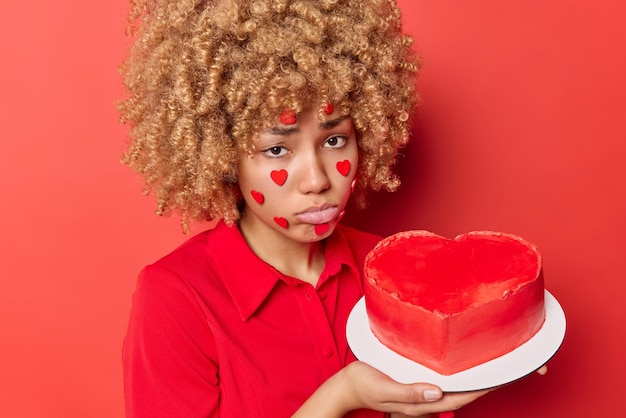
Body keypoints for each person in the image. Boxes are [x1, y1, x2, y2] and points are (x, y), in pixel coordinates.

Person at [119, 1, 544, 417]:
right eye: (277, 148)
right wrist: (341, 396)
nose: (318, 179)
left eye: (334, 140)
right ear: (224, 157)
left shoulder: (390, 274)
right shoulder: (176, 298)